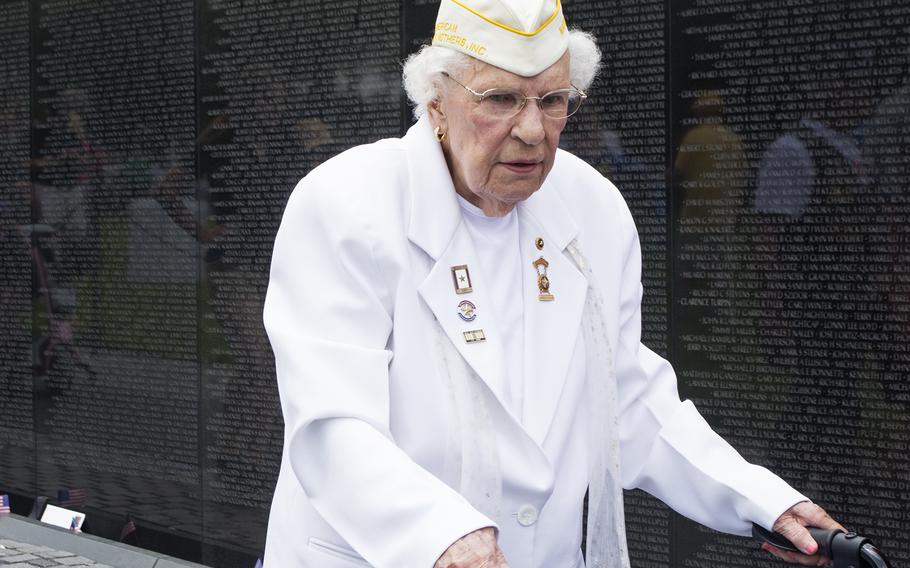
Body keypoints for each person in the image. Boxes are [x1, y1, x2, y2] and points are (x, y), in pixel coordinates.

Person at [262, 1, 844, 566]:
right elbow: (331, 425)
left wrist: (763, 499)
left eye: (554, 100)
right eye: (501, 99)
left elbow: (626, 401)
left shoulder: (592, 206)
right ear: (436, 101)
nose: (533, 130)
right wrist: (440, 534)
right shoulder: (345, 203)